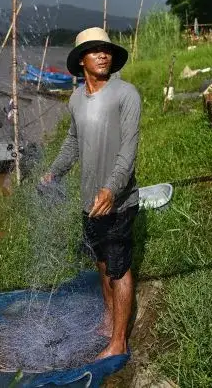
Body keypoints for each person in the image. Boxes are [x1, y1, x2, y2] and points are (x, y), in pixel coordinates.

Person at [41, 26, 141, 360]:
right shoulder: (75, 99)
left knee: (118, 268)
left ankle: (119, 342)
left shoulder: (126, 94)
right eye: (95, 50)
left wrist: (112, 189)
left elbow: (129, 150)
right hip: (89, 201)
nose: (102, 54)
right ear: (81, 60)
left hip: (119, 200)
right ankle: (109, 318)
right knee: (100, 261)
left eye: (107, 50)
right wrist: (55, 171)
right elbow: (72, 141)